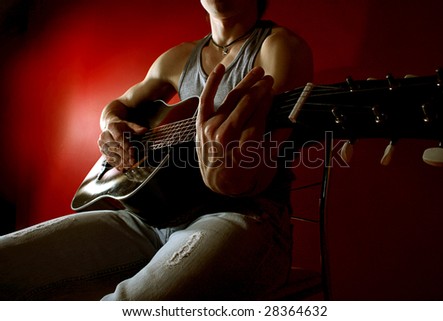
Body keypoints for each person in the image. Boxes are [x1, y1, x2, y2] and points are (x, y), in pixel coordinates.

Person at [0, 0, 313, 300]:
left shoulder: (279, 47)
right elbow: (118, 106)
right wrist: (112, 125)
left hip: (242, 216)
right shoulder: (178, 58)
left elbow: (260, 170)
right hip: (154, 217)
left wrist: (227, 172)